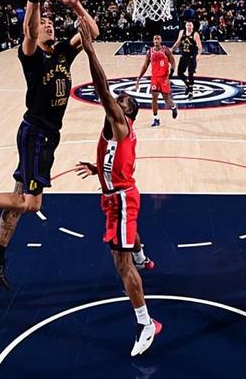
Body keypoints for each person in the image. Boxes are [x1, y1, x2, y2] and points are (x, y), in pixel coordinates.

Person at [0, 0, 99, 290]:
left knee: (18, 195)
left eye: (50, 22)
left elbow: (93, 32)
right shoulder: (32, 57)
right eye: (42, 23)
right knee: (30, 203)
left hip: (48, 136)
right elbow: (29, 33)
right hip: (36, 134)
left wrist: (75, 5)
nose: (48, 26)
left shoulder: (63, 52)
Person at [74, 18, 161, 356]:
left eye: (121, 101)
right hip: (115, 196)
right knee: (124, 247)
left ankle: (146, 324)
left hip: (123, 199)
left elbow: (101, 87)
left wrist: (90, 50)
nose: (116, 100)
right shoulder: (118, 132)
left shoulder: (120, 123)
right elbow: (118, 165)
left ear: (126, 113)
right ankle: (142, 255)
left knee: (120, 266)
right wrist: (97, 169)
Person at [135, 34, 177, 127]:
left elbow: (173, 63)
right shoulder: (149, 52)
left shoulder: (166, 50)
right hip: (155, 78)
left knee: (166, 99)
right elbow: (145, 66)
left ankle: (173, 106)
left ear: (161, 40)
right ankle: (156, 118)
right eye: (155, 39)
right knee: (154, 97)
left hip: (164, 78)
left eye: (158, 39)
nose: (156, 40)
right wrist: (139, 77)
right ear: (153, 41)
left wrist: (170, 76)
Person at [171, 21, 202, 100]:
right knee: (179, 73)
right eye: (188, 25)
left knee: (190, 73)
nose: (189, 27)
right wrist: (172, 49)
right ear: (185, 26)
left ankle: (191, 92)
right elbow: (178, 42)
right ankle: (188, 85)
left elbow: (200, 46)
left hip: (192, 56)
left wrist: (198, 55)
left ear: (192, 27)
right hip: (184, 55)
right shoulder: (182, 32)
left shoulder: (195, 34)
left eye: (190, 25)